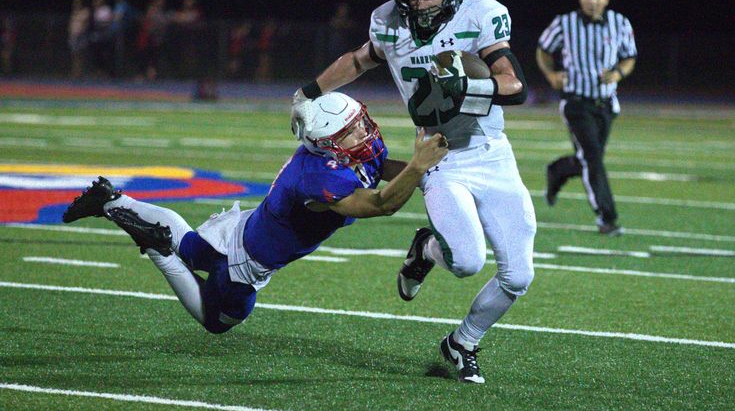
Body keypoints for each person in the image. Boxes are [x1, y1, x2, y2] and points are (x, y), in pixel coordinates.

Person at [293, 0, 536, 384]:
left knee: (518, 275)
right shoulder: (387, 22)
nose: (418, 4)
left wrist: (467, 89)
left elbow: (515, 85)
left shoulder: (480, 15)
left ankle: (462, 342)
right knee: (464, 262)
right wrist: (310, 92)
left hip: (491, 152)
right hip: (439, 155)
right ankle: (426, 249)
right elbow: (358, 60)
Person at [62, 92, 448, 335]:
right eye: (351, 131)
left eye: (361, 122)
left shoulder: (340, 154)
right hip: (248, 260)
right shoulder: (317, 176)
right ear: (326, 144)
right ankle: (158, 250)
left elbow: (380, 170)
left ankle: (113, 201)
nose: (364, 133)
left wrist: (430, 167)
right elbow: (381, 204)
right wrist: (417, 168)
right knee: (217, 323)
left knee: (193, 248)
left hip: (245, 228)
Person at [535, 0, 638, 236]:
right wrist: (551, 75)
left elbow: (629, 57)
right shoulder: (565, 23)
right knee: (592, 157)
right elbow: (543, 49)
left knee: (591, 159)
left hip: (605, 103)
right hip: (576, 102)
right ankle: (607, 218)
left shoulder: (620, 22)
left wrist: (618, 74)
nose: (593, 1)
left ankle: (558, 170)